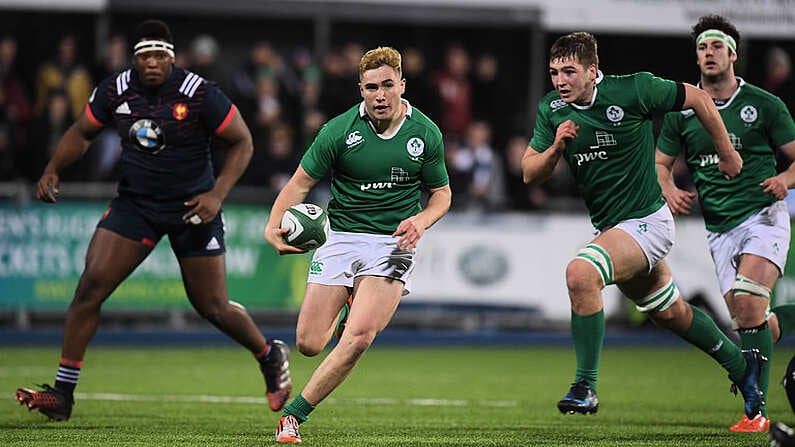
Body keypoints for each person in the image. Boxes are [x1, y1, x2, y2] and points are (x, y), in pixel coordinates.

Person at [14, 19, 291, 422]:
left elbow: (243, 141)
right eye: (145, 55)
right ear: (135, 58)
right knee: (89, 289)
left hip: (192, 206)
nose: (152, 63)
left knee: (211, 305)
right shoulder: (115, 88)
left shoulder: (199, 93)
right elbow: (83, 130)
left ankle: (269, 354)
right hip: (137, 205)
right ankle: (63, 394)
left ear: (172, 58)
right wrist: (54, 166)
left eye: (160, 55)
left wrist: (217, 195)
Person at [521, 31, 764, 425]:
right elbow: (530, 173)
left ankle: (585, 385)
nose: (560, 81)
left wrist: (727, 151)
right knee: (670, 313)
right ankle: (742, 366)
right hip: (613, 229)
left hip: (648, 222)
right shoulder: (552, 109)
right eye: (554, 73)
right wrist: (555, 149)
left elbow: (700, 99)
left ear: (592, 70)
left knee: (580, 274)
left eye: (569, 71)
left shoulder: (635, 89)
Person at [263, 46, 451, 443]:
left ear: (402, 84)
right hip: (341, 236)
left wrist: (420, 220)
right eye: (371, 87)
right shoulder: (338, 130)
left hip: (395, 243)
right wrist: (272, 225)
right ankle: (351, 300)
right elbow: (299, 183)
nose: (380, 95)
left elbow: (442, 195)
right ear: (360, 90)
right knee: (310, 344)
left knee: (361, 336)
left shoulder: (426, 133)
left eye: (387, 85)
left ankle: (293, 417)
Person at [656, 15, 795, 432]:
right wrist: (667, 188)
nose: (708, 53)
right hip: (719, 230)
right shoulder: (682, 112)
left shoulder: (764, 105)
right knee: (750, 319)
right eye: (702, 47)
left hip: (763, 217)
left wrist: (784, 180)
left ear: (732, 54)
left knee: (751, 299)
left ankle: (756, 412)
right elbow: (661, 164)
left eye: (716, 46)